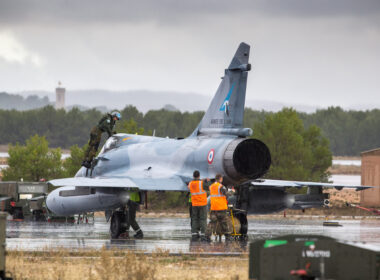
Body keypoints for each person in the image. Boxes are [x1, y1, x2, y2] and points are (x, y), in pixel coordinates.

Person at [206, 173, 231, 241]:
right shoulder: (221, 186)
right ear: (220, 179)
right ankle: (228, 236)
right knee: (224, 222)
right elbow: (227, 194)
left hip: (214, 208)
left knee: (212, 222)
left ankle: (207, 236)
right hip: (221, 208)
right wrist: (232, 192)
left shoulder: (211, 186)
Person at [188, 170, 209, 241]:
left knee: (194, 219)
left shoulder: (190, 183)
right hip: (202, 204)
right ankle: (203, 234)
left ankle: (194, 234)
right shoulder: (202, 183)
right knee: (203, 219)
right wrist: (207, 181)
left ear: (193, 176)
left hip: (194, 204)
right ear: (199, 176)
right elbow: (208, 187)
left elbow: (190, 188)